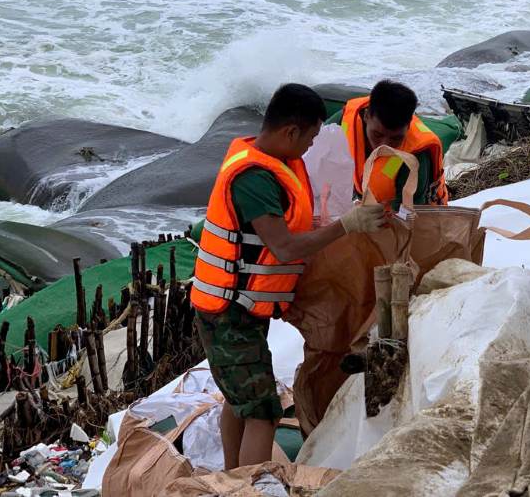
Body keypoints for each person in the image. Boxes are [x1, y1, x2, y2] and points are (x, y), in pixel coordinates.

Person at [190, 83, 386, 469]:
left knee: (240, 398)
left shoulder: (272, 162)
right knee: (263, 411)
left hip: (243, 307)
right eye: (311, 137)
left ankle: (233, 478)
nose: (311, 146)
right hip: (228, 311)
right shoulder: (255, 179)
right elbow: (285, 248)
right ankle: (250, 487)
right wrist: (347, 225)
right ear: (290, 131)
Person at [333, 80, 449, 209]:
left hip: (410, 216)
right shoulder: (345, 121)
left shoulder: (416, 156)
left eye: (395, 138)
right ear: (366, 116)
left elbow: (407, 217)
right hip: (364, 202)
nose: (384, 145)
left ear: (408, 126)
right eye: (377, 135)